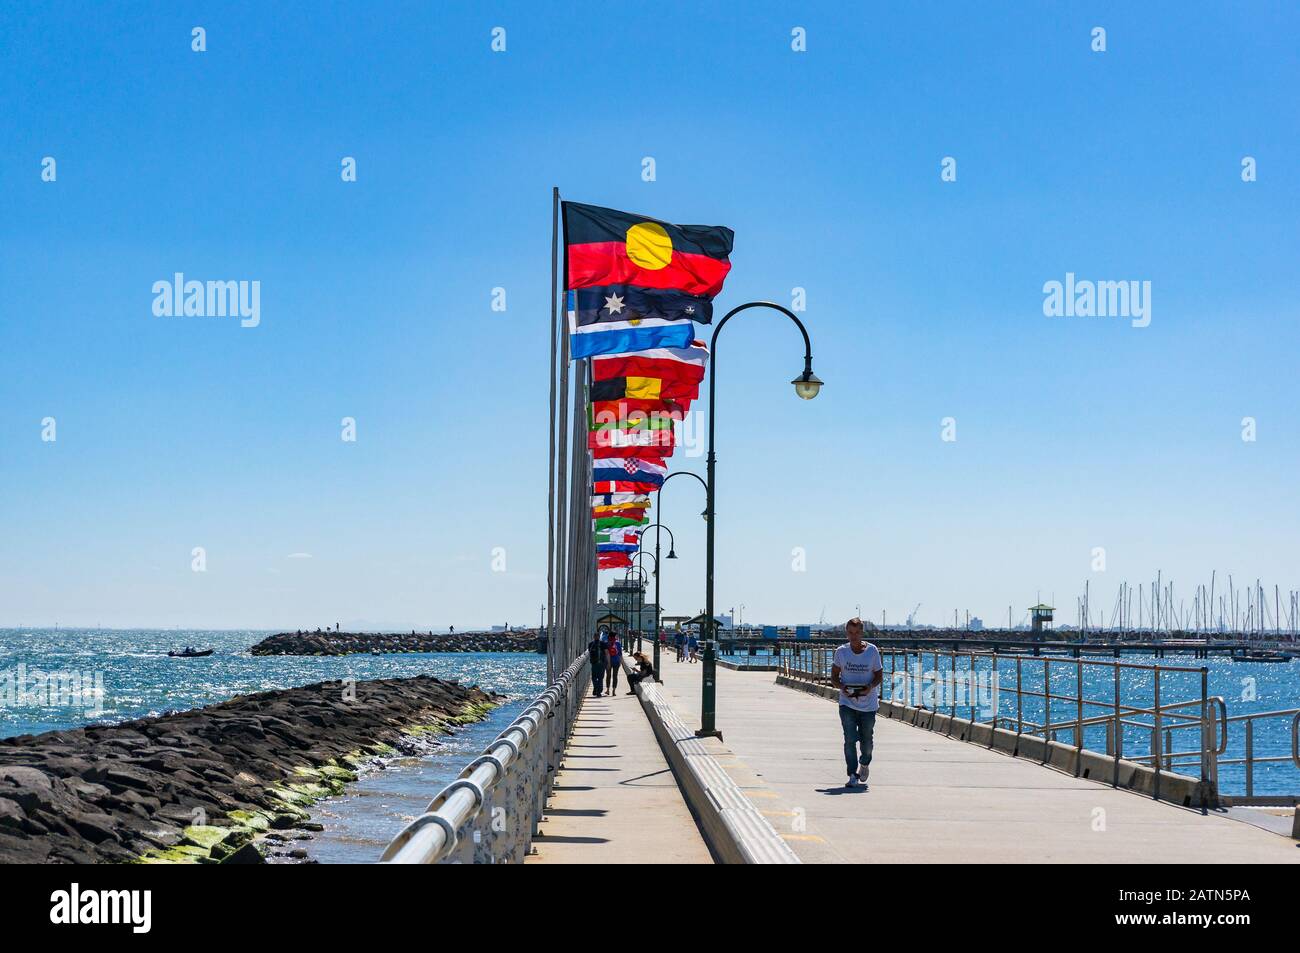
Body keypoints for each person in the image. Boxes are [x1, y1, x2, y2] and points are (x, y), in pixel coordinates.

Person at [831, 617, 883, 788]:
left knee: (867, 740)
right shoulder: (841, 652)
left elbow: (879, 676)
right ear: (846, 633)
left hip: (868, 704)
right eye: (850, 633)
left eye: (857, 633)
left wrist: (870, 687)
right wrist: (842, 687)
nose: (853, 636)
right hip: (847, 703)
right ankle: (852, 773)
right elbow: (834, 677)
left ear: (862, 633)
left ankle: (865, 763)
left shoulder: (872, 651)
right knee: (849, 739)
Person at [588, 629, 609, 697]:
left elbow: (589, 653)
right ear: (599, 636)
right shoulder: (603, 643)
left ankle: (596, 688)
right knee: (600, 678)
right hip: (601, 663)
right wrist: (608, 662)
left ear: (593, 637)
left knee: (594, 677)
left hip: (594, 664)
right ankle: (599, 691)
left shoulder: (591, 644)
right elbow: (606, 653)